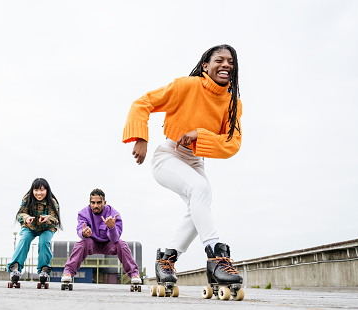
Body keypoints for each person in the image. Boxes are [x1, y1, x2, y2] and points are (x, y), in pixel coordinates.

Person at [122, 44, 243, 288]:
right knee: (200, 190)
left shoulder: (233, 104)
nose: (226, 65)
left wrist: (199, 134)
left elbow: (232, 143)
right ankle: (216, 255)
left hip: (195, 160)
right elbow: (142, 102)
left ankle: (166, 259)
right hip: (168, 155)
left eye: (230, 61)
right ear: (206, 66)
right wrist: (141, 138)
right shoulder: (186, 86)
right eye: (219, 60)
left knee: (200, 200)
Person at [61, 188, 141, 285]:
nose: (96, 206)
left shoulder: (114, 214)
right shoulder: (83, 213)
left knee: (122, 244)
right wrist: (84, 233)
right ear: (89, 203)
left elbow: (115, 239)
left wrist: (111, 227)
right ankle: (68, 272)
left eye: (99, 203)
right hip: (92, 243)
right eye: (93, 203)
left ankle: (134, 274)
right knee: (81, 244)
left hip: (109, 244)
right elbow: (80, 229)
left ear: (104, 202)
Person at [7, 178, 61, 285]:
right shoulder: (27, 199)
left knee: (44, 242)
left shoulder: (52, 202)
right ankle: (15, 267)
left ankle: (43, 269)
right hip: (30, 227)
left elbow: (55, 219)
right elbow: (20, 214)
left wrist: (47, 218)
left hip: (47, 228)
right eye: (36, 190)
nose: (39, 193)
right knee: (24, 239)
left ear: (47, 190)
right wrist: (26, 218)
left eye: (42, 190)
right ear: (32, 190)